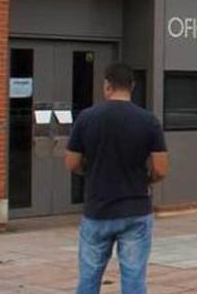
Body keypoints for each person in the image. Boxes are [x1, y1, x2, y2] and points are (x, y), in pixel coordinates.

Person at [66, 63, 169, 294]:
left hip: (97, 209)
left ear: (107, 86)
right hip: (136, 209)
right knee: (134, 279)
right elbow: (161, 169)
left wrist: (90, 171)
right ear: (131, 87)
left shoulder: (87, 117)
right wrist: (146, 180)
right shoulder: (148, 120)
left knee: (88, 278)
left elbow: (71, 163)